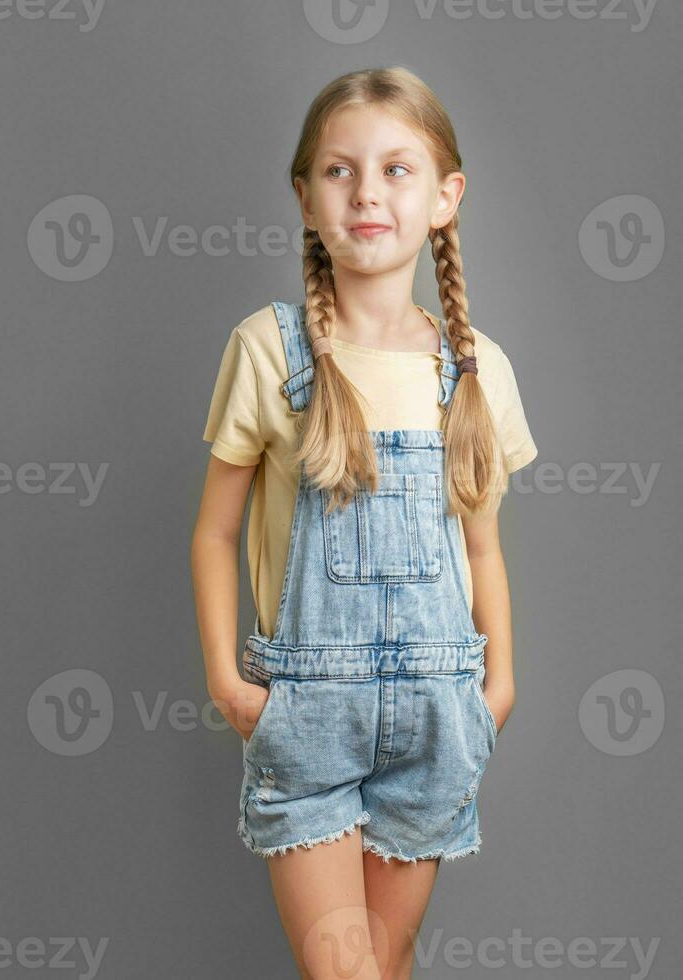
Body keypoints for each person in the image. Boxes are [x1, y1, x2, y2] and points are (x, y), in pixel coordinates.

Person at [191, 66, 538, 980]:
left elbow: (483, 549)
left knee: (384, 966)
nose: (368, 193)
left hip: (436, 713)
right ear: (305, 197)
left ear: (443, 198)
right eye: (340, 171)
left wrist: (496, 692)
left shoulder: (476, 371)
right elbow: (215, 533)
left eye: (397, 169)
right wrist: (231, 685)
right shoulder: (270, 352)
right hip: (308, 713)